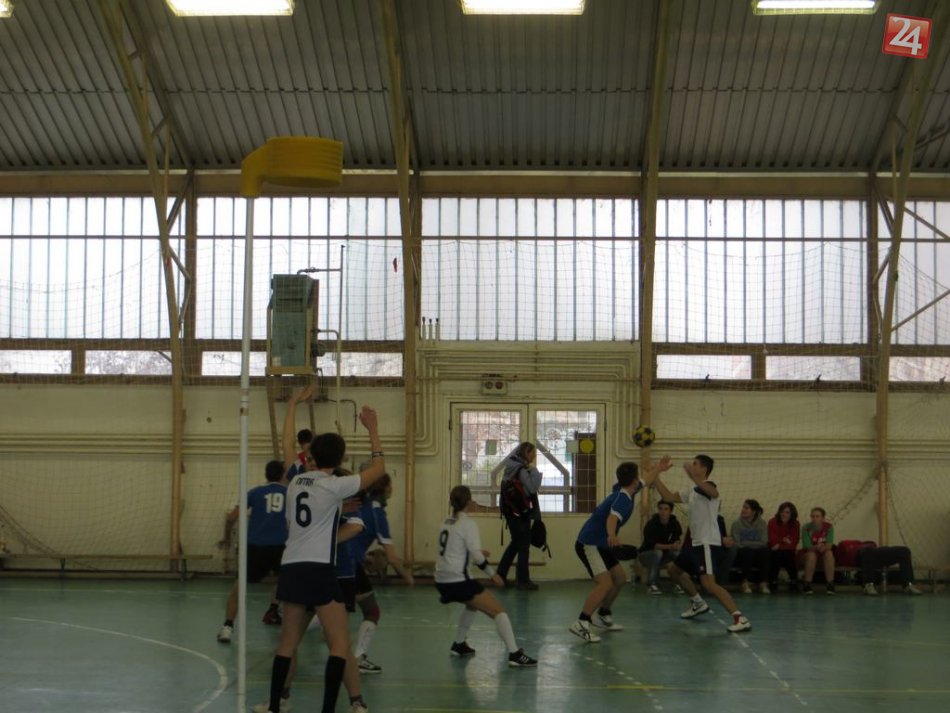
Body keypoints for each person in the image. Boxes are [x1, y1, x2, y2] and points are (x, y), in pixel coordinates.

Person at [261, 402, 387, 713]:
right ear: (341, 459)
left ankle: (275, 705)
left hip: (291, 566)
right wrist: (372, 429)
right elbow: (378, 470)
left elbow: (288, 447)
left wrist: (292, 406)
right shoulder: (335, 485)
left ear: (311, 456)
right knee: (339, 644)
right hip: (319, 568)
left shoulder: (296, 480)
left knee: (287, 643)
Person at [570, 457, 673, 642]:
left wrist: (659, 468)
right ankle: (582, 622)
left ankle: (603, 614)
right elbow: (612, 518)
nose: (640, 479)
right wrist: (612, 535)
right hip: (590, 543)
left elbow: (647, 480)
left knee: (619, 578)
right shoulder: (623, 499)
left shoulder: (627, 489)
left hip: (602, 544)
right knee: (604, 583)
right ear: (634, 480)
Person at [435, 485, 537, 667]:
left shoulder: (446, 521)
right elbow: (477, 557)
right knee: (499, 612)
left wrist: (475, 551)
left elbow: (453, 547)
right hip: (458, 581)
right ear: (469, 502)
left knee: (472, 605)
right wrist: (493, 574)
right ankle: (514, 654)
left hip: (441, 580)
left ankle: (459, 644)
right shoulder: (468, 524)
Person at [650, 455, 752, 633]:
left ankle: (740, 618)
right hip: (694, 544)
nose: (692, 465)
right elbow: (668, 496)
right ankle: (697, 603)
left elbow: (713, 493)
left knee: (709, 584)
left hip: (707, 543)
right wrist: (655, 474)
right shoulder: (692, 491)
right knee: (674, 570)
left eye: (695, 464)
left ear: (704, 469)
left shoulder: (708, 486)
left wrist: (693, 476)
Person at [347, 474, 415, 675]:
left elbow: (353, 538)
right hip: (349, 565)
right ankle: (359, 658)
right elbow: (391, 557)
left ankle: (290, 636)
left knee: (330, 609)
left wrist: (364, 559)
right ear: (385, 488)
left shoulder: (362, 505)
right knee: (372, 611)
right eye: (390, 484)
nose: (392, 488)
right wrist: (408, 577)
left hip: (342, 560)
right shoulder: (378, 513)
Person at [217, 459, 288, 642]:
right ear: (283, 475)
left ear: (266, 474)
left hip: (255, 547)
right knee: (287, 584)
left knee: (239, 587)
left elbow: (231, 517)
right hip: (282, 546)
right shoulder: (290, 493)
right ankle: (278, 617)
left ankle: (227, 627)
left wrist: (226, 537)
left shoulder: (255, 492)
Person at [496, 442, 543, 591]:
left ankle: (500, 576)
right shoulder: (521, 469)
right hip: (521, 512)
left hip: (510, 511)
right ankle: (522, 581)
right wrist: (534, 470)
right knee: (523, 546)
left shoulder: (511, 467)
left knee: (516, 544)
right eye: (532, 453)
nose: (534, 456)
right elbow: (532, 488)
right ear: (526, 453)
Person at [638, 499, 683, 594]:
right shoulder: (651, 524)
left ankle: (679, 583)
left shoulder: (675, 523)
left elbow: (677, 539)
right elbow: (653, 545)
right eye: (660, 509)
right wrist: (670, 546)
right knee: (657, 553)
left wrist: (677, 544)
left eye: (666, 509)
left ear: (671, 511)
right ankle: (652, 584)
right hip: (647, 554)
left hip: (664, 555)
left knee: (678, 554)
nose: (663, 512)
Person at [730, 499, 771, 594]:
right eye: (743, 507)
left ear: (754, 511)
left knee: (765, 551)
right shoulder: (737, 524)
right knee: (748, 551)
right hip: (742, 553)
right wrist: (753, 544)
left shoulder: (762, 524)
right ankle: (745, 582)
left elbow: (764, 542)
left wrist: (746, 542)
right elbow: (737, 543)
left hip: (758, 553)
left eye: (746, 508)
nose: (743, 510)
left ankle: (763, 583)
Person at [856, 545, 923, 595]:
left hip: (876, 553)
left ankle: (908, 585)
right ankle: (869, 584)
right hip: (863, 555)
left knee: (904, 551)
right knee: (868, 551)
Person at [801, 507, 836, 595]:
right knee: (811, 555)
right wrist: (817, 547)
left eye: (817, 516)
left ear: (823, 518)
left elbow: (829, 545)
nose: (814, 518)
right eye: (812, 516)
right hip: (808, 555)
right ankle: (807, 584)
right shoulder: (806, 528)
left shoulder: (829, 527)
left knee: (829, 553)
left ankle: (830, 584)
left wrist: (823, 547)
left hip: (823, 553)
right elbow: (807, 546)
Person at [768, 501, 800, 592]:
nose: (784, 514)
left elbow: (794, 542)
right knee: (778, 554)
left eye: (787, 512)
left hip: (787, 551)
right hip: (774, 551)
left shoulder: (796, 524)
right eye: (782, 511)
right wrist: (783, 540)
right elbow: (772, 540)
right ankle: (776, 580)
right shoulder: (772, 522)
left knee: (786, 554)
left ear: (792, 514)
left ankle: (791, 580)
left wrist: (780, 543)